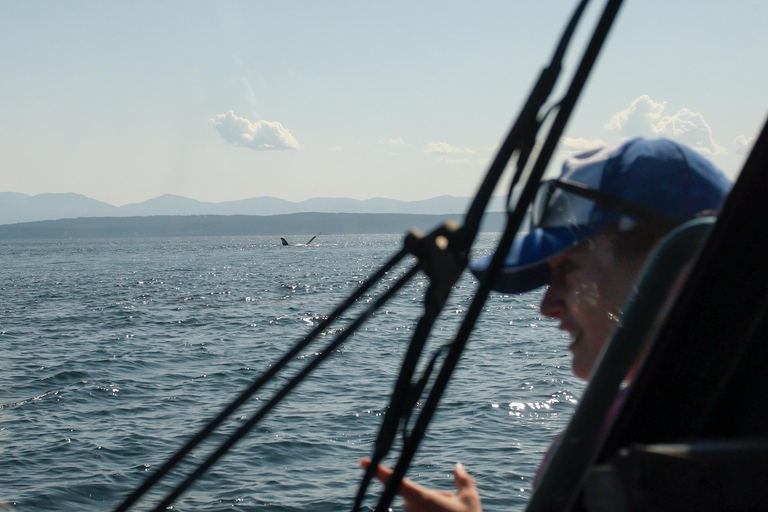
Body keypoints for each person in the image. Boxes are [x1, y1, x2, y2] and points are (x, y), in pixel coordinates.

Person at [360, 137, 732, 512]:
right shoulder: (725, 406)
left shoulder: (615, 445)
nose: (546, 307)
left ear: (676, 261)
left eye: (567, 269)